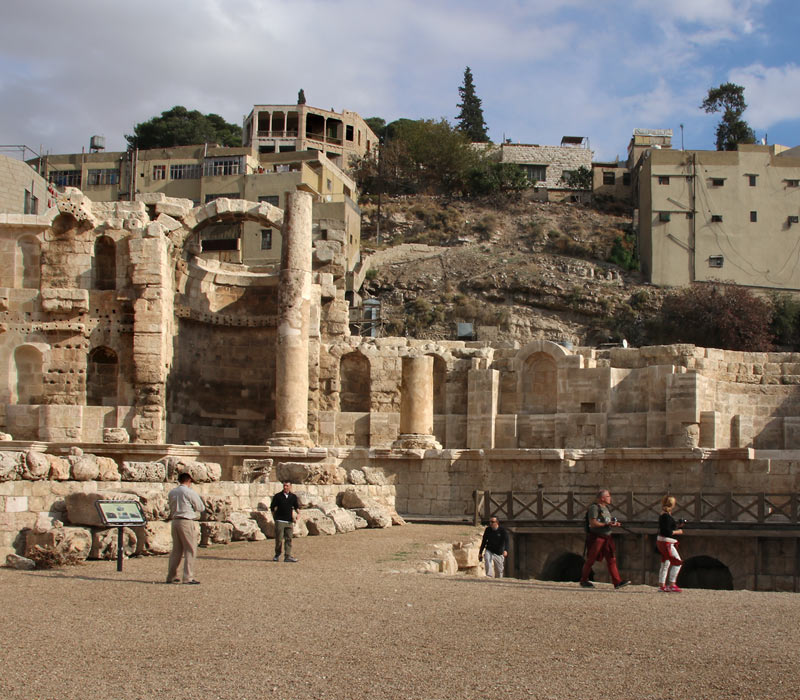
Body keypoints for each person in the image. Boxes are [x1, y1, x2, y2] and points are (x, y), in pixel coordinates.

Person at [579, 489, 630, 589]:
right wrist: (606, 524)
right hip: (597, 538)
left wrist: (613, 524)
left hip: (607, 537)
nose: (610, 498)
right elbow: (593, 523)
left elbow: (606, 521)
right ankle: (584, 580)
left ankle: (617, 582)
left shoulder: (606, 508)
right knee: (591, 560)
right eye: (608, 496)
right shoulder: (594, 508)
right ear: (602, 498)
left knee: (611, 559)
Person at [166, 472, 205, 584]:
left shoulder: (172, 492)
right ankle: (188, 577)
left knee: (176, 550)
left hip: (175, 521)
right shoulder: (189, 492)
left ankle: (171, 576)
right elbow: (200, 507)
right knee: (190, 549)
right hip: (186, 521)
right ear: (189, 481)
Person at [657, 495, 684, 592]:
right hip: (666, 542)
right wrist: (678, 532)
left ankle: (662, 585)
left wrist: (678, 526)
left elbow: (666, 528)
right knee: (677, 562)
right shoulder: (666, 516)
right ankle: (672, 584)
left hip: (661, 541)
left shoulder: (663, 514)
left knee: (665, 563)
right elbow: (667, 532)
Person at [271, 481, 300, 562]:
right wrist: (275, 517)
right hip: (280, 520)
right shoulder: (278, 496)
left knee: (289, 539)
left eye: (287, 486)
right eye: (284, 485)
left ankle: (287, 556)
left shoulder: (293, 497)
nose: (285, 487)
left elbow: (296, 506)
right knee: (279, 539)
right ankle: (277, 554)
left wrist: (298, 514)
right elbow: (272, 508)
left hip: (289, 521)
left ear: (290, 486)